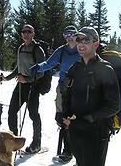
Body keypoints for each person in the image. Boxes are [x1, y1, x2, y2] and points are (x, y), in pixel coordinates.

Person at [62, 26, 120, 166]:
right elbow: (67, 95)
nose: (81, 44)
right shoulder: (74, 69)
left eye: (86, 40)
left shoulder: (105, 70)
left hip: (97, 132)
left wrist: (90, 118)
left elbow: (114, 105)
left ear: (96, 43)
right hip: (76, 129)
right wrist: (64, 114)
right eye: (78, 40)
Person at [30, 25, 80, 163]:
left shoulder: (81, 49)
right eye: (66, 35)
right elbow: (49, 63)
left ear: (77, 35)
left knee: (78, 119)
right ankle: (67, 151)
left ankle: (80, 153)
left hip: (79, 88)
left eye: (72, 34)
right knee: (62, 118)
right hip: (63, 87)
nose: (69, 38)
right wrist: (38, 68)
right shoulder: (62, 51)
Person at [0, 24, 45, 154]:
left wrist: (28, 79)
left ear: (33, 34)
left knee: (33, 115)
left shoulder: (37, 49)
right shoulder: (20, 48)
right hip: (20, 85)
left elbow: (42, 71)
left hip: (33, 86)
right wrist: (7, 78)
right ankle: (14, 141)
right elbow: (18, 68)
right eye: (24, 31)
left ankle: (37, 143)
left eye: (29, 31)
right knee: (11, 112)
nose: (26, 34)